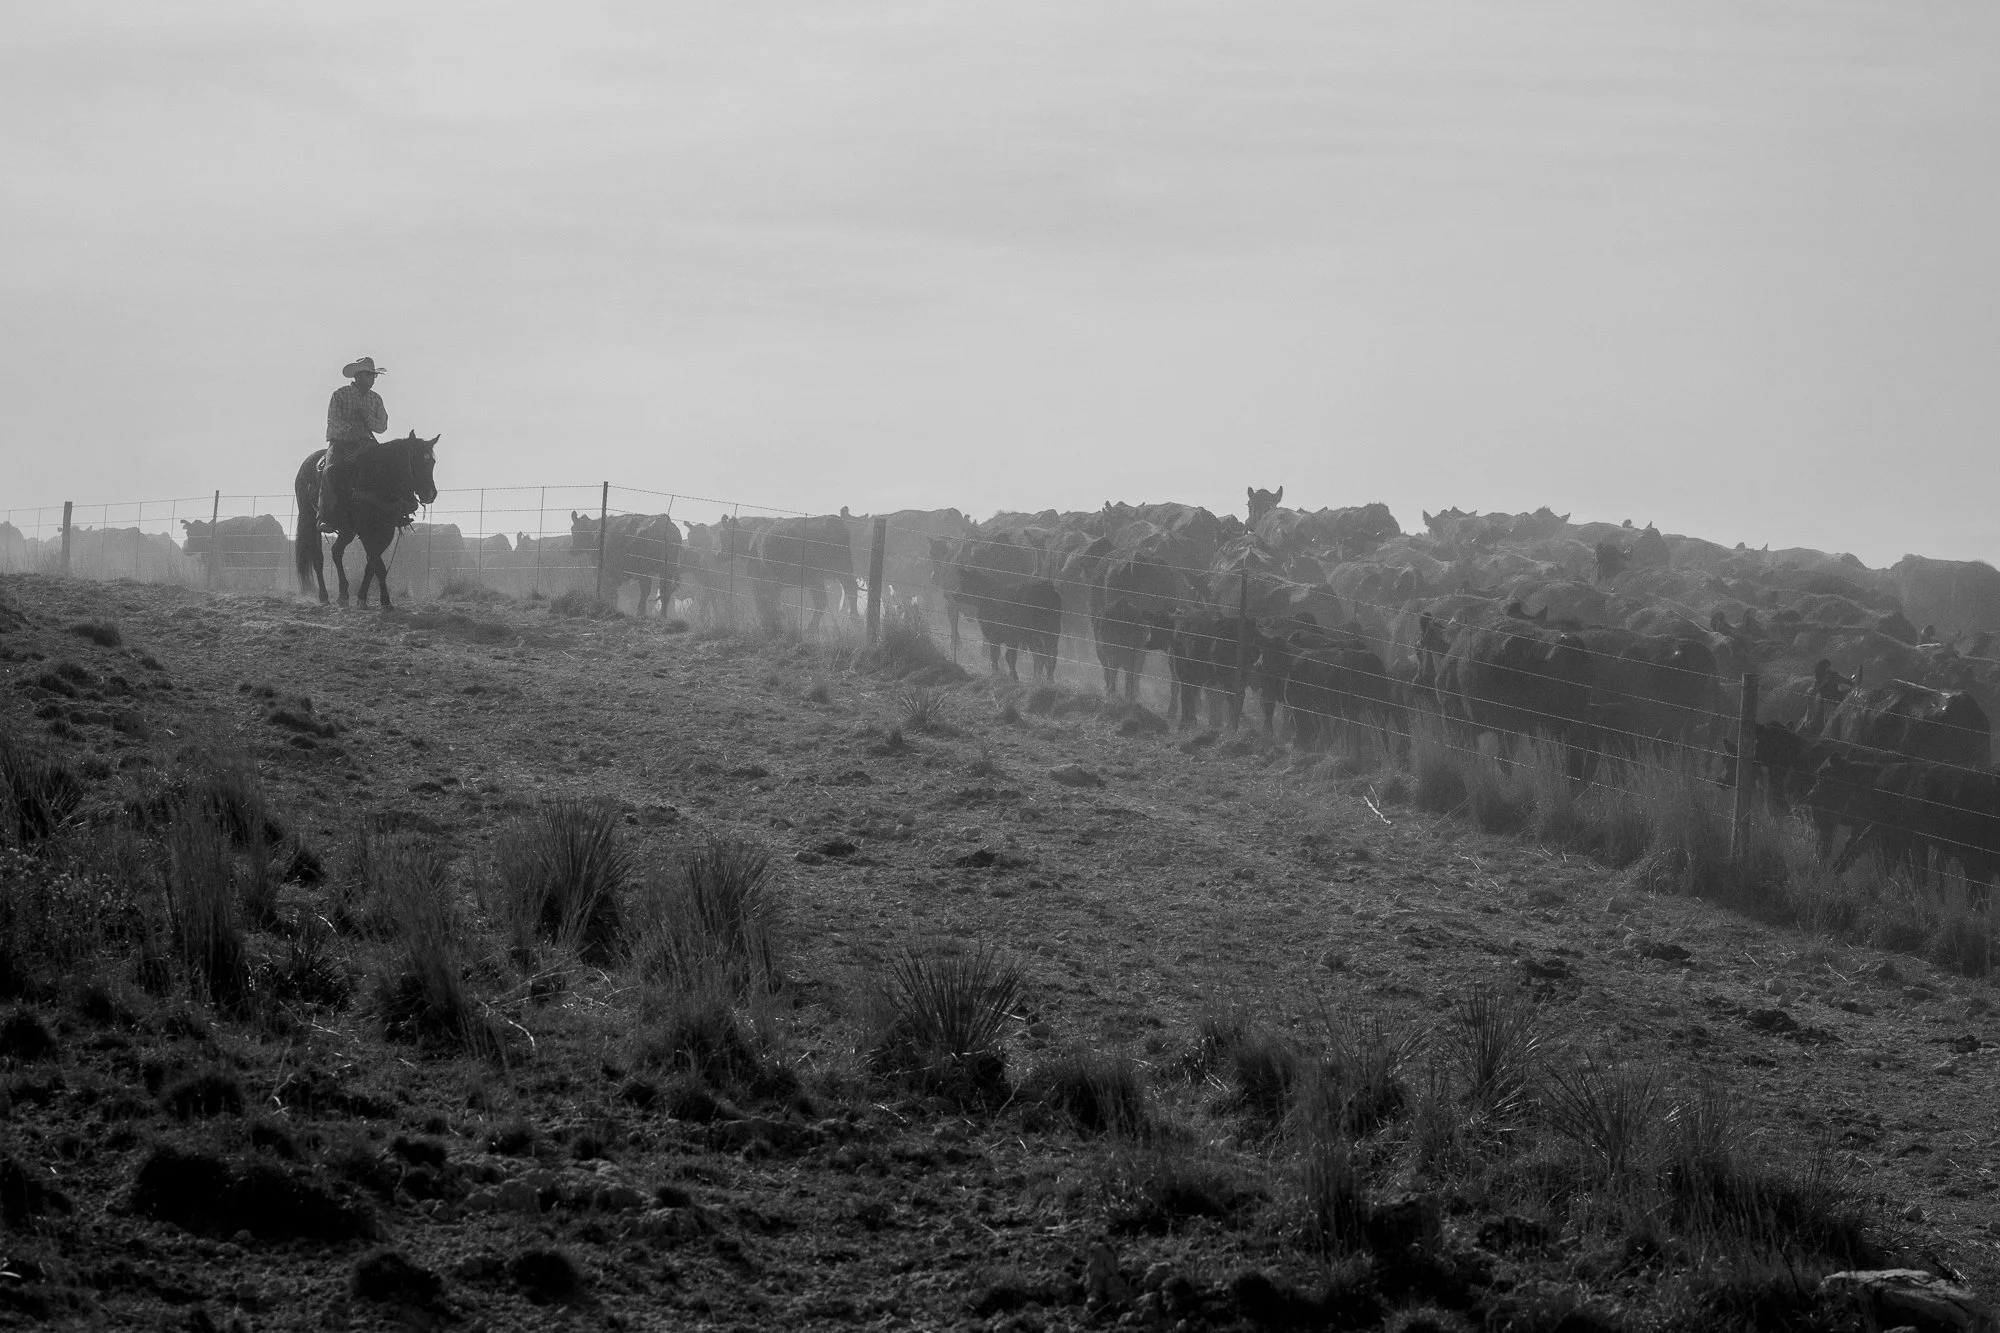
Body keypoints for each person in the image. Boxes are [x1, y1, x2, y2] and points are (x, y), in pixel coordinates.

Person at [321, 356, 389, 531]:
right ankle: (325, 515)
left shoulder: (376, 399)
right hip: (341, 443)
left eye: (374, 375)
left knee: (388, 467)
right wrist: (350, 429)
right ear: (358, 375)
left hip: (367, 443)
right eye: (369, 374)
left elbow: (382, 426)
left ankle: (392, 508)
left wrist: (367, 418)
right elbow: (333, 420)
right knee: (331, 469)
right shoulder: (340, 394)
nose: (372, 379)